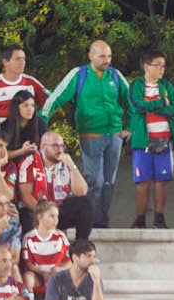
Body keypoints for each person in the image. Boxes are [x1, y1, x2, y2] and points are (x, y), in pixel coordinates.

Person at [44, 42, 130, 229]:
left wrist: (130, 127)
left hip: (114, 134)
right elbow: (56, 96)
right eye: (102, 56)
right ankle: (88, 221)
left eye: (109, 56)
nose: (106, 60)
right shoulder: (79, 74)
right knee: (94, 180)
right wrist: (42, 120)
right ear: (91, 55)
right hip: (90, 133)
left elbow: (131, 100)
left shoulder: (115, 75)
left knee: (109, 181)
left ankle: (101, 220)